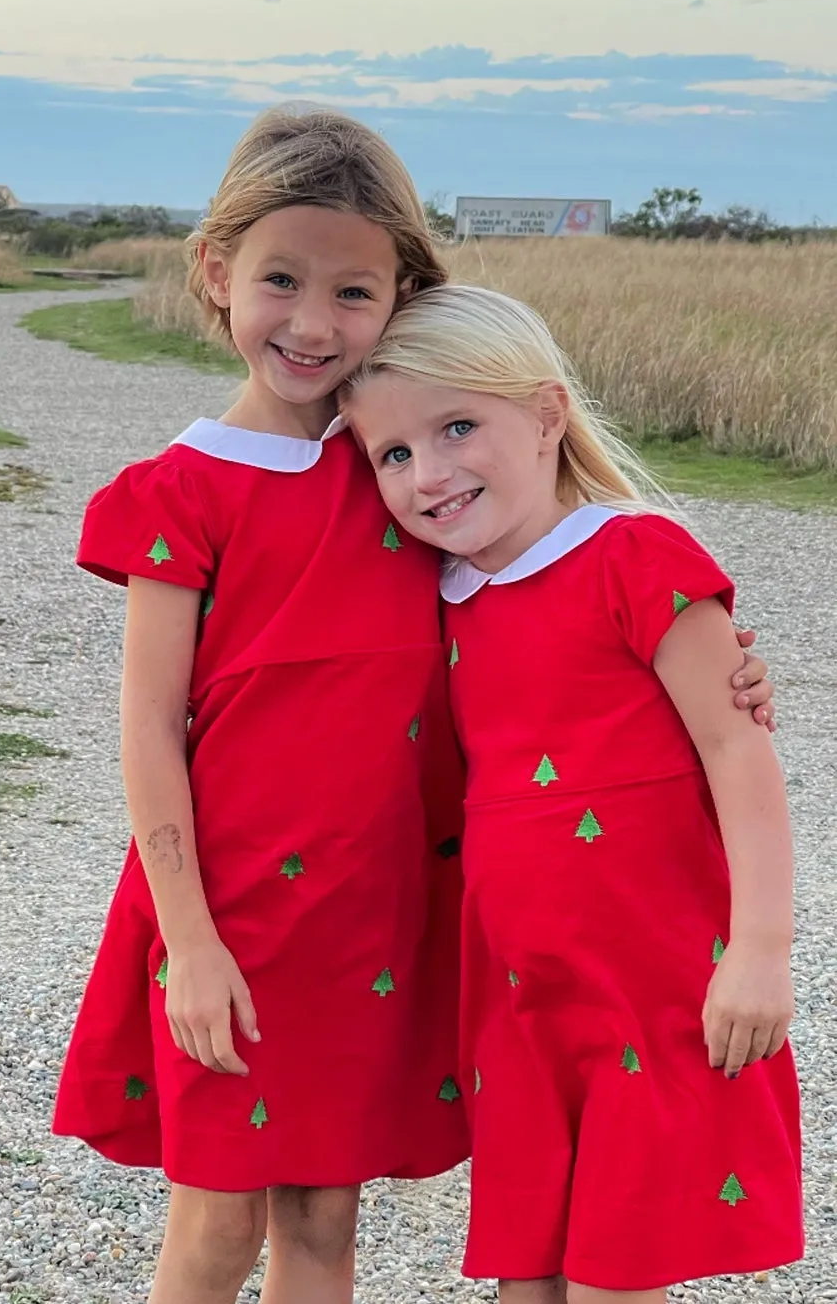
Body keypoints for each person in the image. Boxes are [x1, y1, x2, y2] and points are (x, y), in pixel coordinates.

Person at [52, 108, 775, 1304]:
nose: (313, 321)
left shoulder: (405, 468)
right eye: (281, 280)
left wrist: (723, 668)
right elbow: (147, 729)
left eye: (353, 291)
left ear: (400, 295)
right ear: (217, 272)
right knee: (217, 1222)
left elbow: (555, 615)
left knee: (329, 1219)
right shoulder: (178, 490)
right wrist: (187, 943)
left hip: (372, 913)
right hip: (225, 910)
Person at [344, 283, 803, 1304]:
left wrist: (763, 949)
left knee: (614, 1279)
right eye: (395, 453)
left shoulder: (638, 554)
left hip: (659, 988)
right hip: (519, 1001)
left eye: (459, 426)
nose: (432, 472)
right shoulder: (436, 601)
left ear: (548, 415)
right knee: (529, 1278)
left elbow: (739, 752)